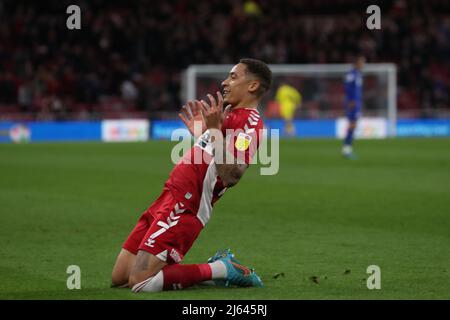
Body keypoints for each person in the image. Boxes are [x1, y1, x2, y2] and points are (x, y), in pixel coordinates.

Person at [111, 58, 272, 292]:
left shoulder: (251, 123)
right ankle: (187, 273)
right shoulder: (225, 114)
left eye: (233, 77)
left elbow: (232, 174)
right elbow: (212, 158)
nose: (225, 82)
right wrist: (203, 135)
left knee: (141, 283)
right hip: (168, 197)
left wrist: (214, 130)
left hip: (188, 204)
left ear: (253, 86)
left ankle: (222, 269)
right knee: (120, 277)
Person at [342, 55, 365, 158]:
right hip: (352, 103)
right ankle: (346, 149)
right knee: (352, 124)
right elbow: (347, 87)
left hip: (356, 102)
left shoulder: (358, 74)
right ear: (356, 63)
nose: (363, 64)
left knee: (353, 125)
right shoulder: (352, 74)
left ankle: (347, 149)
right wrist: (351, 100)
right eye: (362, 62)